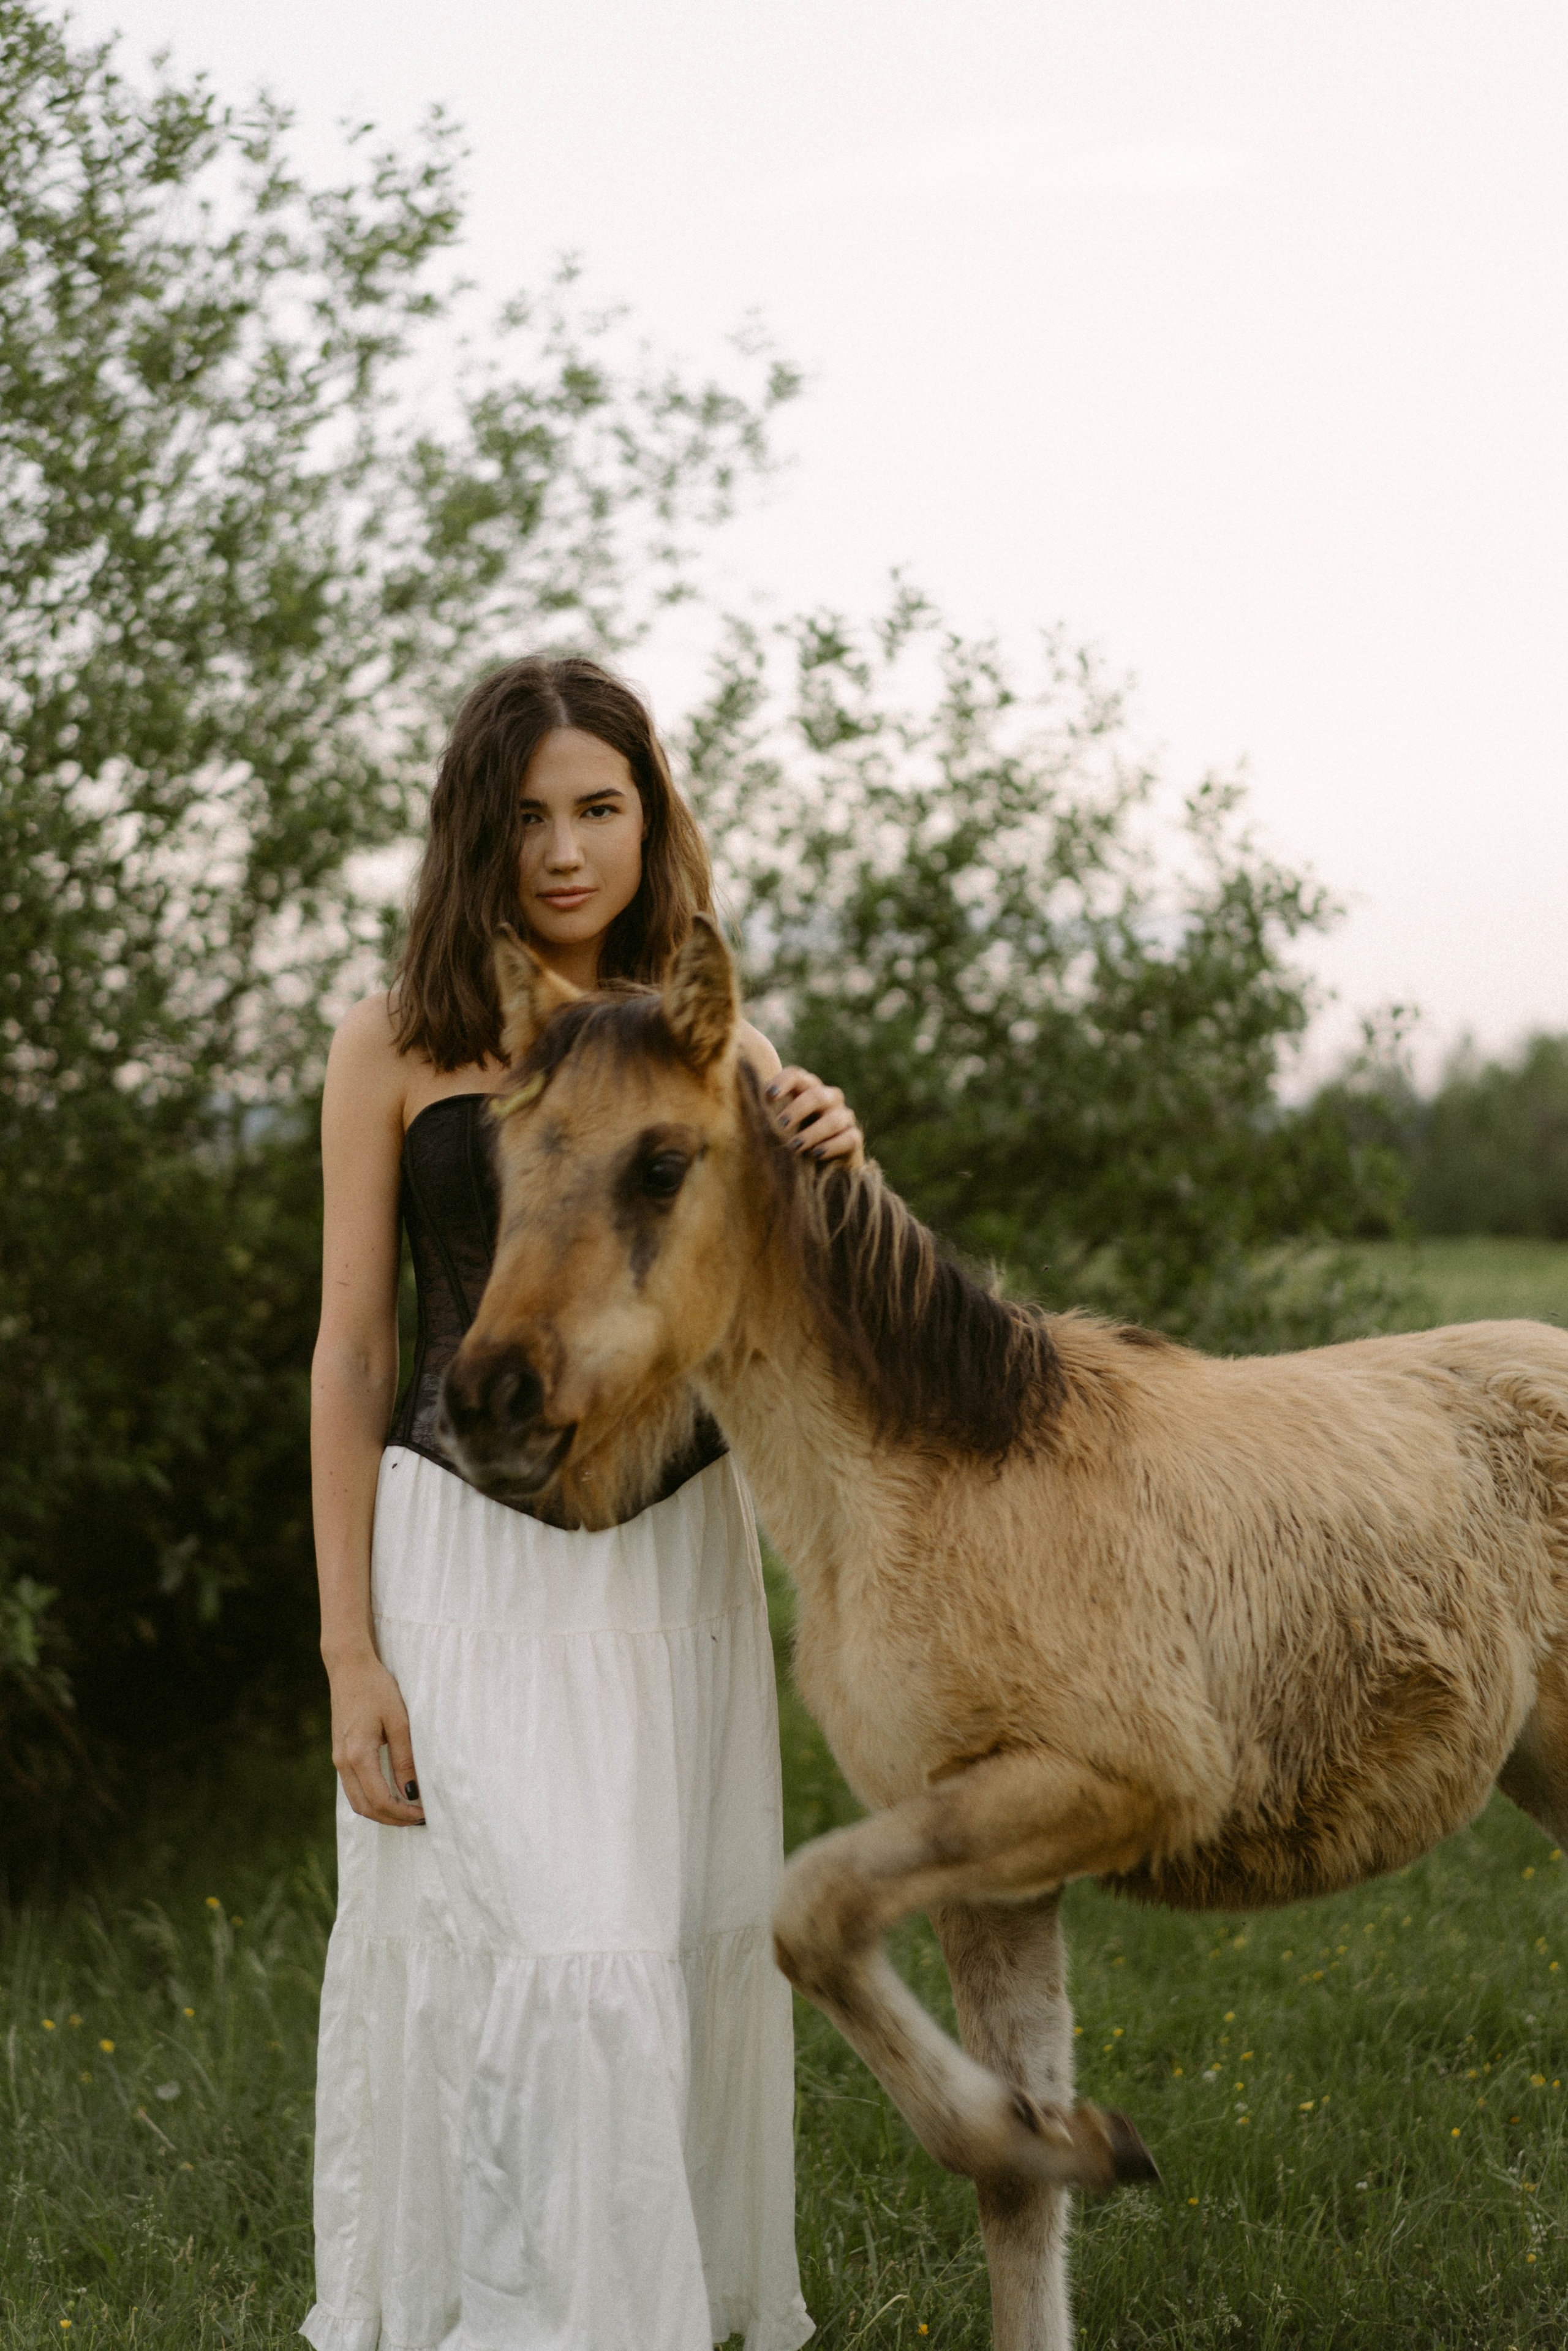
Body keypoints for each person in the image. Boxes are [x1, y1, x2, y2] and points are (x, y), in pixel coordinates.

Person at [302, 655, 861, 2351]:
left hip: (670, 1570)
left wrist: (837, 1160)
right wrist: (348, 1654)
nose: (564, 849)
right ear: (479, 829)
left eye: (600, 809)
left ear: (649, 819)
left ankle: (644, 2312)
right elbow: (350, 1350)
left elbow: (796, 1331)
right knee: (547, 1958)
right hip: (469, 1566)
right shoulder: (396, 1046)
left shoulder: (713, 1043)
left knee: (658, 1961)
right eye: (529, 814)